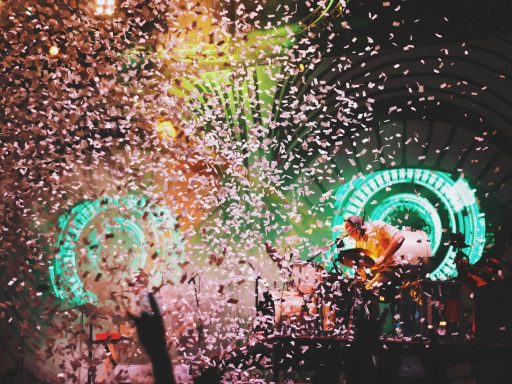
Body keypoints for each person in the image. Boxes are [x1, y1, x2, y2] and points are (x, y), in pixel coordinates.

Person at [340, 215, 405, 291]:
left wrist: (382, 258)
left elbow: (399, 237)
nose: (352, 236)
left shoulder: (377, 226)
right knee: (355, 289)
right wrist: (361, 273)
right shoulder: (359, 242)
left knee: (368, 290)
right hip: (376, 271)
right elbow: (364, 262)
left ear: (358, 226)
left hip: (392, 268)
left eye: (352, 233)